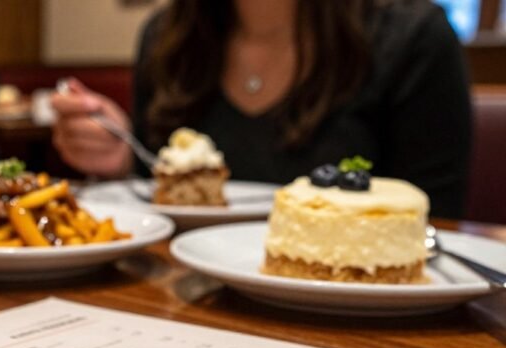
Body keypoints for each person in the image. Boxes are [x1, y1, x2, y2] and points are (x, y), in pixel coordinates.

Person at [52, 0, 472, 218]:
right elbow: (156, 196)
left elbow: (435, 222)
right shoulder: (166, 39)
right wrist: (121, 159)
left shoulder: (412, 38)